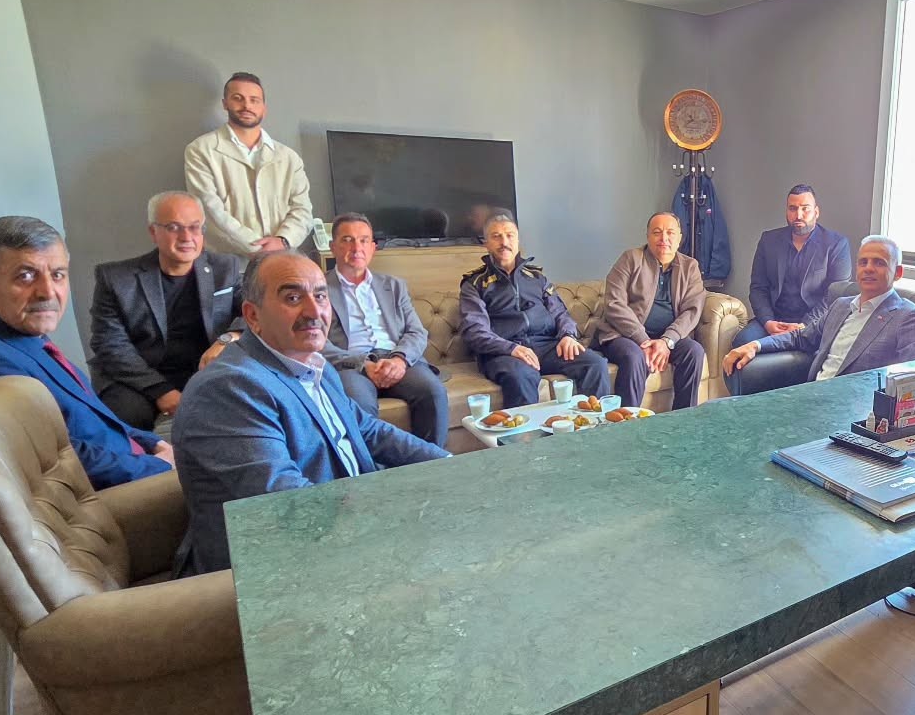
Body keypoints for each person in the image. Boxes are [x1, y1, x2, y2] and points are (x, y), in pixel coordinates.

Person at [170, 251, 450, 577]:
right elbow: (290, 503)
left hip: (342, 525)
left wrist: (447, 464)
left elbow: (367, 430)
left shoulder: (315, 365)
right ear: (253, 315)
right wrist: (393, 514)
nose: (314, 311)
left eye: (320, 296)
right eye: (293, 297)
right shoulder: (229, 389)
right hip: (280, 567)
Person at [0, 216, 174, 490]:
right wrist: (161, 466)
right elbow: (57, 460)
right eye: (26, 275)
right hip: (112, 497)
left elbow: (97, 418)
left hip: (134, 465)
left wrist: (153, 442)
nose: (47, 292)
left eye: (57, 275)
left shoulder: (21, 334)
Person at [88, 191, 244, 431]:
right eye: (173, 227)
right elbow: (110, 344)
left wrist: (228, 338)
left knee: (241, 403)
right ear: (153, 232)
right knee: (127, 416)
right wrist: (161, 391)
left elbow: (255, 313)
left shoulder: (225, 267)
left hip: (203, 368)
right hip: (138, 376)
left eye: (194, 227)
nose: (186, 237)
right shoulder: (116, 279)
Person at [723, 235, 915, 394]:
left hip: (854, 409)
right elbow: (801, 337)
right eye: (863, 262)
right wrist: (755, 345)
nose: (868, 268)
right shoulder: (841, 305)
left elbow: (914, 377)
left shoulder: (908, 317)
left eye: (879, 263)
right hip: (812, 395)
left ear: (898, 272)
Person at [322, 212, 449, 447]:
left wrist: (400, 360)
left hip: (395, 358)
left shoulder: (394, 286)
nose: (356, 248)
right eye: (347, 240)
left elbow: (416, 331)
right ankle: (371, 468)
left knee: (433, 392)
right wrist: (364, 364)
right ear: (333, 247)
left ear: (373, 248)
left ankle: (432, 463)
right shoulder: (319, 289)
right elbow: (318, 343)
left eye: (363, 240)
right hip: (351, 365)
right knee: (358, 403)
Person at [459, 214, 610, 408]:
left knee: (595, 364)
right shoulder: (474, 284)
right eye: (496, 236)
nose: (504, 242)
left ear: (518, 240)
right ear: (486, 244)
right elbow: (475, 331)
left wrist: (568, 335)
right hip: (504, 352)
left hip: (546, 345)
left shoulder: (537, 277)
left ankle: (596, 425)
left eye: (510, 235)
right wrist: (511, 349)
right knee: (521, 376)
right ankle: (528, 429)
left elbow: (560, 313)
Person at [183, 71, 313, 256]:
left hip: (283, 260)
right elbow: (209, 210)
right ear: (225, 103)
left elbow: (303, 209)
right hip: (229, 263)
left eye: (254, 100)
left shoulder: (288, 158)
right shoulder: (201, 150)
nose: (247, 106)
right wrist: (258, 249)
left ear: (264, 108)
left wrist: (283, 240)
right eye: (238, 98)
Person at [597, 212, 707, 411]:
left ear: (680, 238)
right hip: (624, 336)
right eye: (657, 232)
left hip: (668, 338)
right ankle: (628, 421)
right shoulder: (631, 258)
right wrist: (643, 340)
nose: (664, 238)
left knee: (694, 352)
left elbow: (692, 310)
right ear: (648, 236)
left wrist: (666, 341)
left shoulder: (690, 267)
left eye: (670, 233)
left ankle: (683, 420)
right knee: (635, 356)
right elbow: (614, 303)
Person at [734, 185, 851, 347]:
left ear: (816, 212)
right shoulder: (768, 241)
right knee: (743, 342)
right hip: (774, 320)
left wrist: (804, 326)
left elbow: (834, 296)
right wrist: (768, 322)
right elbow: (758, 288)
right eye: (793, 208)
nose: (798, 215)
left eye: (805, 209)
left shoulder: (836, 244)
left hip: (814, 324)